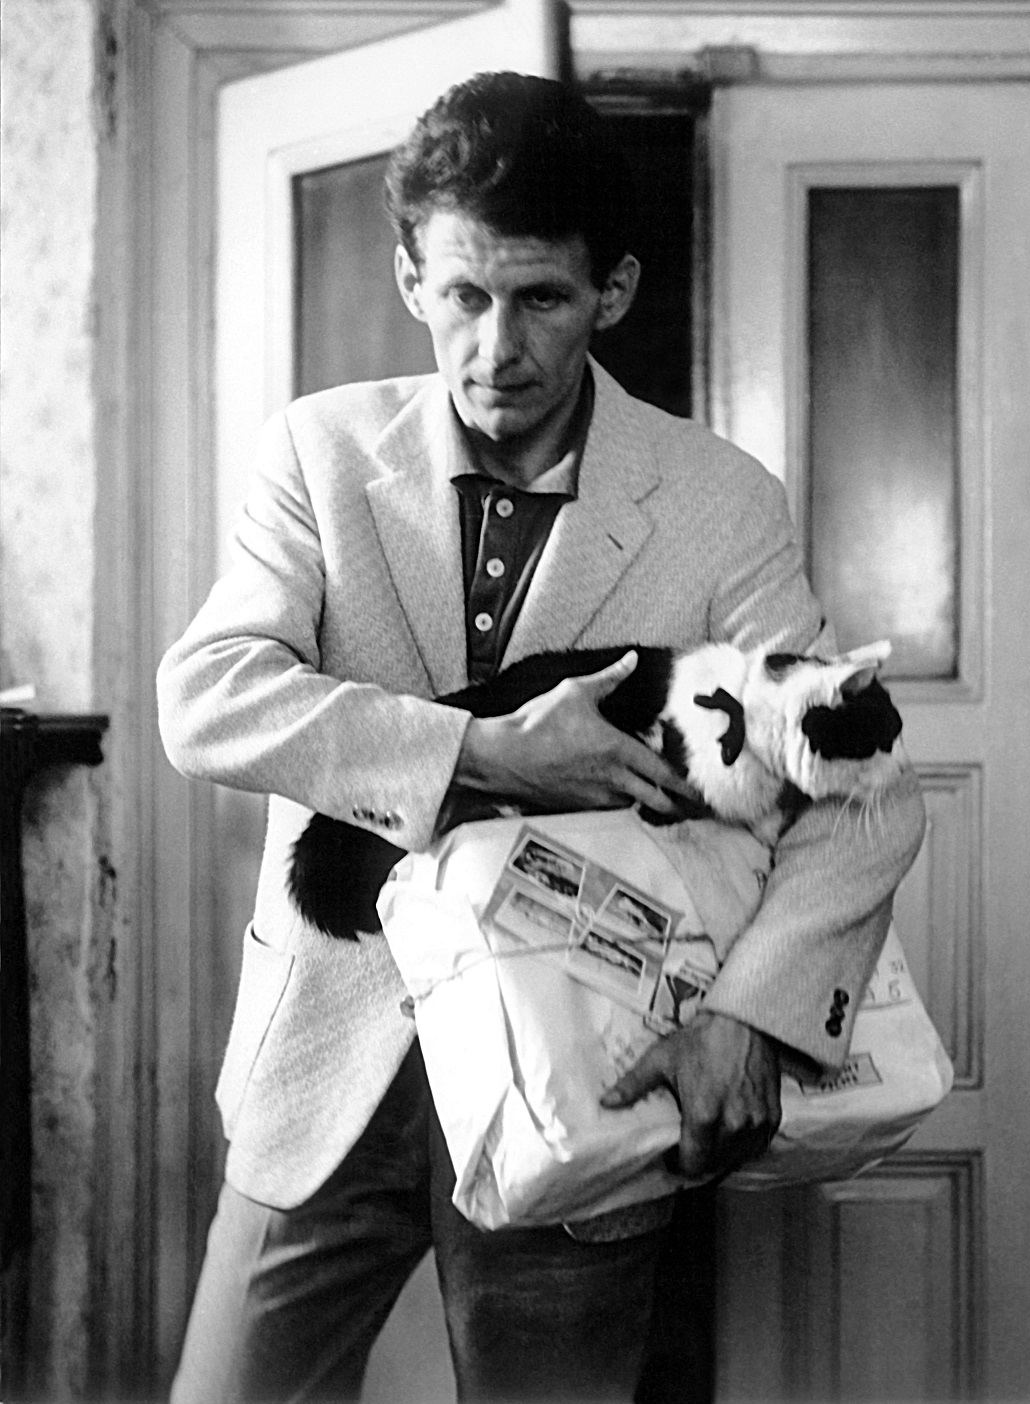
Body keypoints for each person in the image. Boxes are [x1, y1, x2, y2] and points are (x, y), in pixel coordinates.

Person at [158, 72, 925, 1403]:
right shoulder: (319, 453)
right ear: (412, 277)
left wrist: (748, 1020)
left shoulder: (721, 502)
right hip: (324, 1066)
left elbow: (867, 798)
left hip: (589, 1074)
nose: (496, 348)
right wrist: (482, 758)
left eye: (542, 300)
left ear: (613, 292)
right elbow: (210, 695)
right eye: (463, 295)